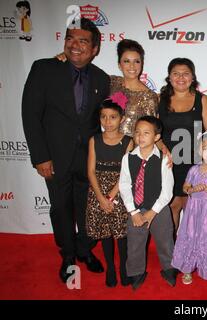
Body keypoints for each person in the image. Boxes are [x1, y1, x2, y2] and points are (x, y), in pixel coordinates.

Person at [22, 17, 109, 283]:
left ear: (95, 48)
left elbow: (100, 120)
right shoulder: (44, 69)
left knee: (86, 209)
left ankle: (85, 250)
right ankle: (68, 255)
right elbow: (30, 114)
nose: (75, 45)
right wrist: (40, 156)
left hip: (88, 160)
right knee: (60, 208)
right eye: (70, 38)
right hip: (54, 158)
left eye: (83, 41)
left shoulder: (102, 78)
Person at [119, 116, 177, 290]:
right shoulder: (127, 158)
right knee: (135, 243)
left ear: (156, 137)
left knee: (165, 240)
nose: (140, 136)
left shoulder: (164, 159)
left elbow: (168, 190)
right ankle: (136, 272)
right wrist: (133, 212)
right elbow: (124, 185)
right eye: (137, 132)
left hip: (159, 208)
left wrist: (153, 212)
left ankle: (169, 268)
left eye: (146, 133)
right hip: (136, 209)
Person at [158, 57, 207, 232]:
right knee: (173, 206)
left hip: (195, 163)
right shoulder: (160, 99)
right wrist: (163, 149)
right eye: (176, 73)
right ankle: (174, 252)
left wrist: (205, 162)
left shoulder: (203, 100)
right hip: (169, 162)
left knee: (193, 208)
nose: (181, 77)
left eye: (186, 74)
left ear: (193, 77)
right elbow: (154, 132)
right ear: (169, 77)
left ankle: (192, 251)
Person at [85, 93, 134, 287]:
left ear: (121, 118)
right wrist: (100, 197)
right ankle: (111, 269)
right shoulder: (94, 140)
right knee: (105, 232)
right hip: (98, 190)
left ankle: (123, 267)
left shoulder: (128, 141)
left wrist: (111, 196)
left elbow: (127, 172)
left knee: (121, 233)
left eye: (112, 117)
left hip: (120, 190)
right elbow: (90, 171)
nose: (108, 121)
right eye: (103, 117)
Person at [171, 130, 207, 287]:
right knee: (192, 236)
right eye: (205, 148)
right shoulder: (194, 170)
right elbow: (185, 188)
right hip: (194, 211)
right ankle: (187, 269)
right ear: (199, 150)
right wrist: (192, 189)